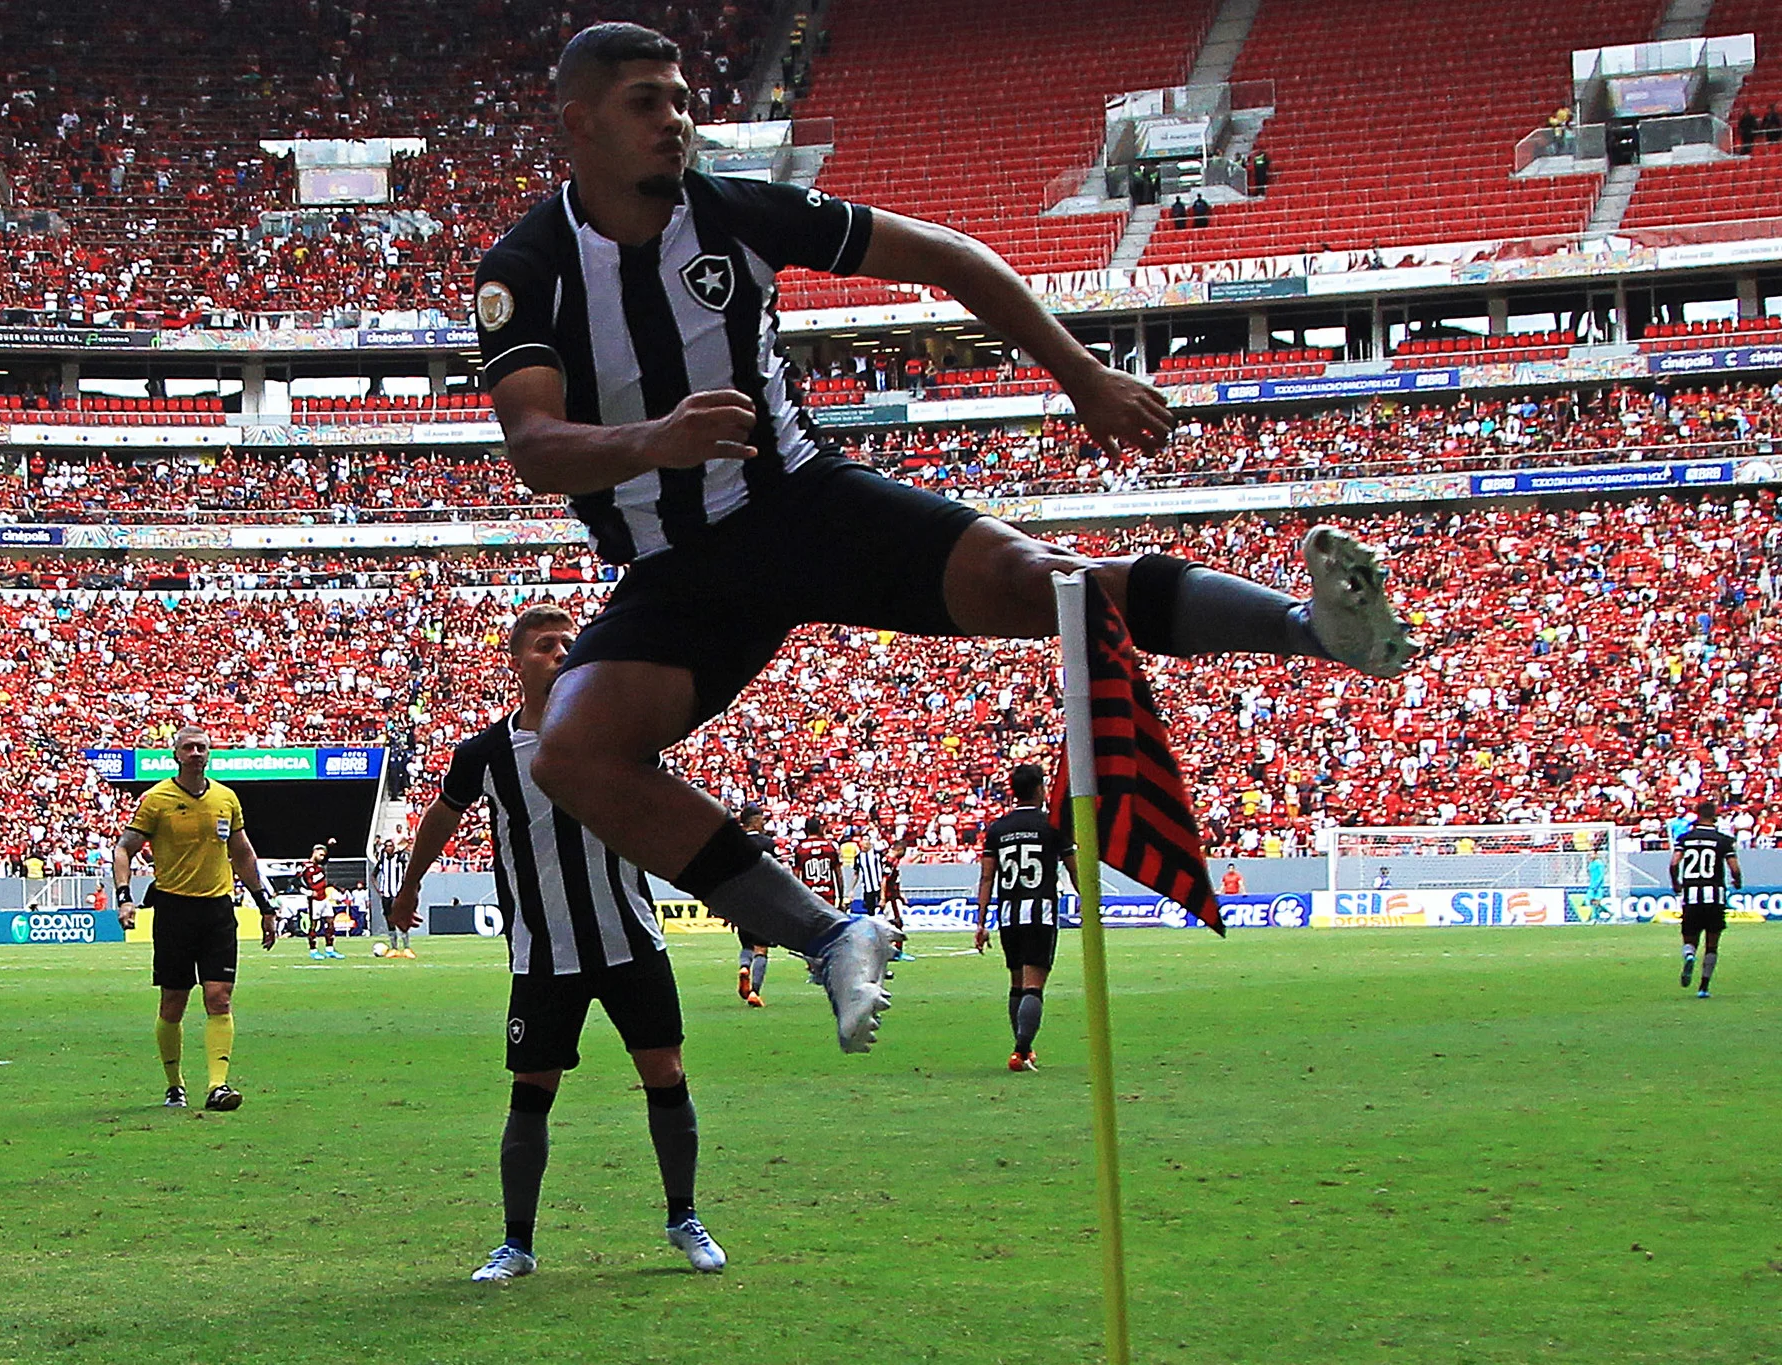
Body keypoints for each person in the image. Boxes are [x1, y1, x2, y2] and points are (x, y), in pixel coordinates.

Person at [474, 22, 1411, 1055]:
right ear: (579, 124)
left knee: (1044, 583)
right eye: (647, 102)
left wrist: (1080, 375)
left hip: (802, 507)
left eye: (682, 97)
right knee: (571, 752)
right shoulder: (529, 267)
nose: (677, 121)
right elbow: (533, 443)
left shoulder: (733, 211)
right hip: (676, 567)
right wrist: (657, 438)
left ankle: (1316, 630)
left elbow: (948, 256)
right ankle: (829, 937)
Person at [386, 605, 725, 1282]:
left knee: (666, 1074)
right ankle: (517, 1242)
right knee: (530, 1091)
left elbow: (665, 806)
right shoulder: (486, 753)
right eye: (545, 645)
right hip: (544, 954)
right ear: (515, 661)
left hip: (631, 938)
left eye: (570, 643)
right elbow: (441, 813)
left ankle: (684, 1215)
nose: (561, 651)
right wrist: (411, 882)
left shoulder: (618, 737)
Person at [112, 724, 279, 1111]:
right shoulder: (157, 800)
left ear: (209, 753)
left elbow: (242, 854)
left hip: (217, 909)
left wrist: (264, 904)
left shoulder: (225, 798)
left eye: (201, 747)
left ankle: (218, 1085)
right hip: (174, 909)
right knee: (173, 1001)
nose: (195, 753)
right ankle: (174, 1084)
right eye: (188, 748)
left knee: (219, 998)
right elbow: (124, 848)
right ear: (175, 755)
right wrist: (124, 897)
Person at [973, 764, 1075, 1071]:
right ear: (1040, 789)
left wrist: (980, 922)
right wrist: (1090, 901)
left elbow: (987, 878)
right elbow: (1073, 867)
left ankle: (1024, 1049)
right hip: (1040, 913)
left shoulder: (997, 829)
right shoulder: (1052, 826)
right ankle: (1020, 1051)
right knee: (1033, 985)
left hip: (1008, 916)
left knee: (1016, 983)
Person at [1669, 800, 1740, 998]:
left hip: (1692, 895)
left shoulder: (1685, 838)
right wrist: (1737, 881)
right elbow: (1734, 868)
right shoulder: (1723, 840)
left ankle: (1689, 954)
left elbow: (1674, 863)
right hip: (1715, 896)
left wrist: (1676, 883)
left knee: (1690, 937)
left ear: (1697, 814)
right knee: (1712, 943)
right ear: (1715, 815)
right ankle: (1703, 987)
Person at [734, 803, 776, 1006]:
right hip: (762, 901)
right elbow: (774, 873)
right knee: (761, 948)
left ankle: (744, 967)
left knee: (746, 944)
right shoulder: (767, 843)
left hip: (741, 901)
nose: (764, 822)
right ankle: (754, 991)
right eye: (761, 818)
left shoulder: (735, 843)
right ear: (755, 820)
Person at [302, 842, 344, 959]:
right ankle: (313, 950)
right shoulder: (305, 867)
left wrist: (331, 847)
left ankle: (329, 949)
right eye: (320, 855)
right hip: (314, 900)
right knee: (314, 925)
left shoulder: (320, 867)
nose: (322, 857)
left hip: (324, 898)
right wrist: (310, 892)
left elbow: (327, 858)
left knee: (330, 923)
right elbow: (295, 882)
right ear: (314, 852)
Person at [794, 814, 843, 910]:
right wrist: (841, 898)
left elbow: (795, 877)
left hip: (809, 897)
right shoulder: (829, 848)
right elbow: (839, 876)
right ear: (820, 829)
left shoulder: (800, 849)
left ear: (806, 830)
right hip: (828, 896)